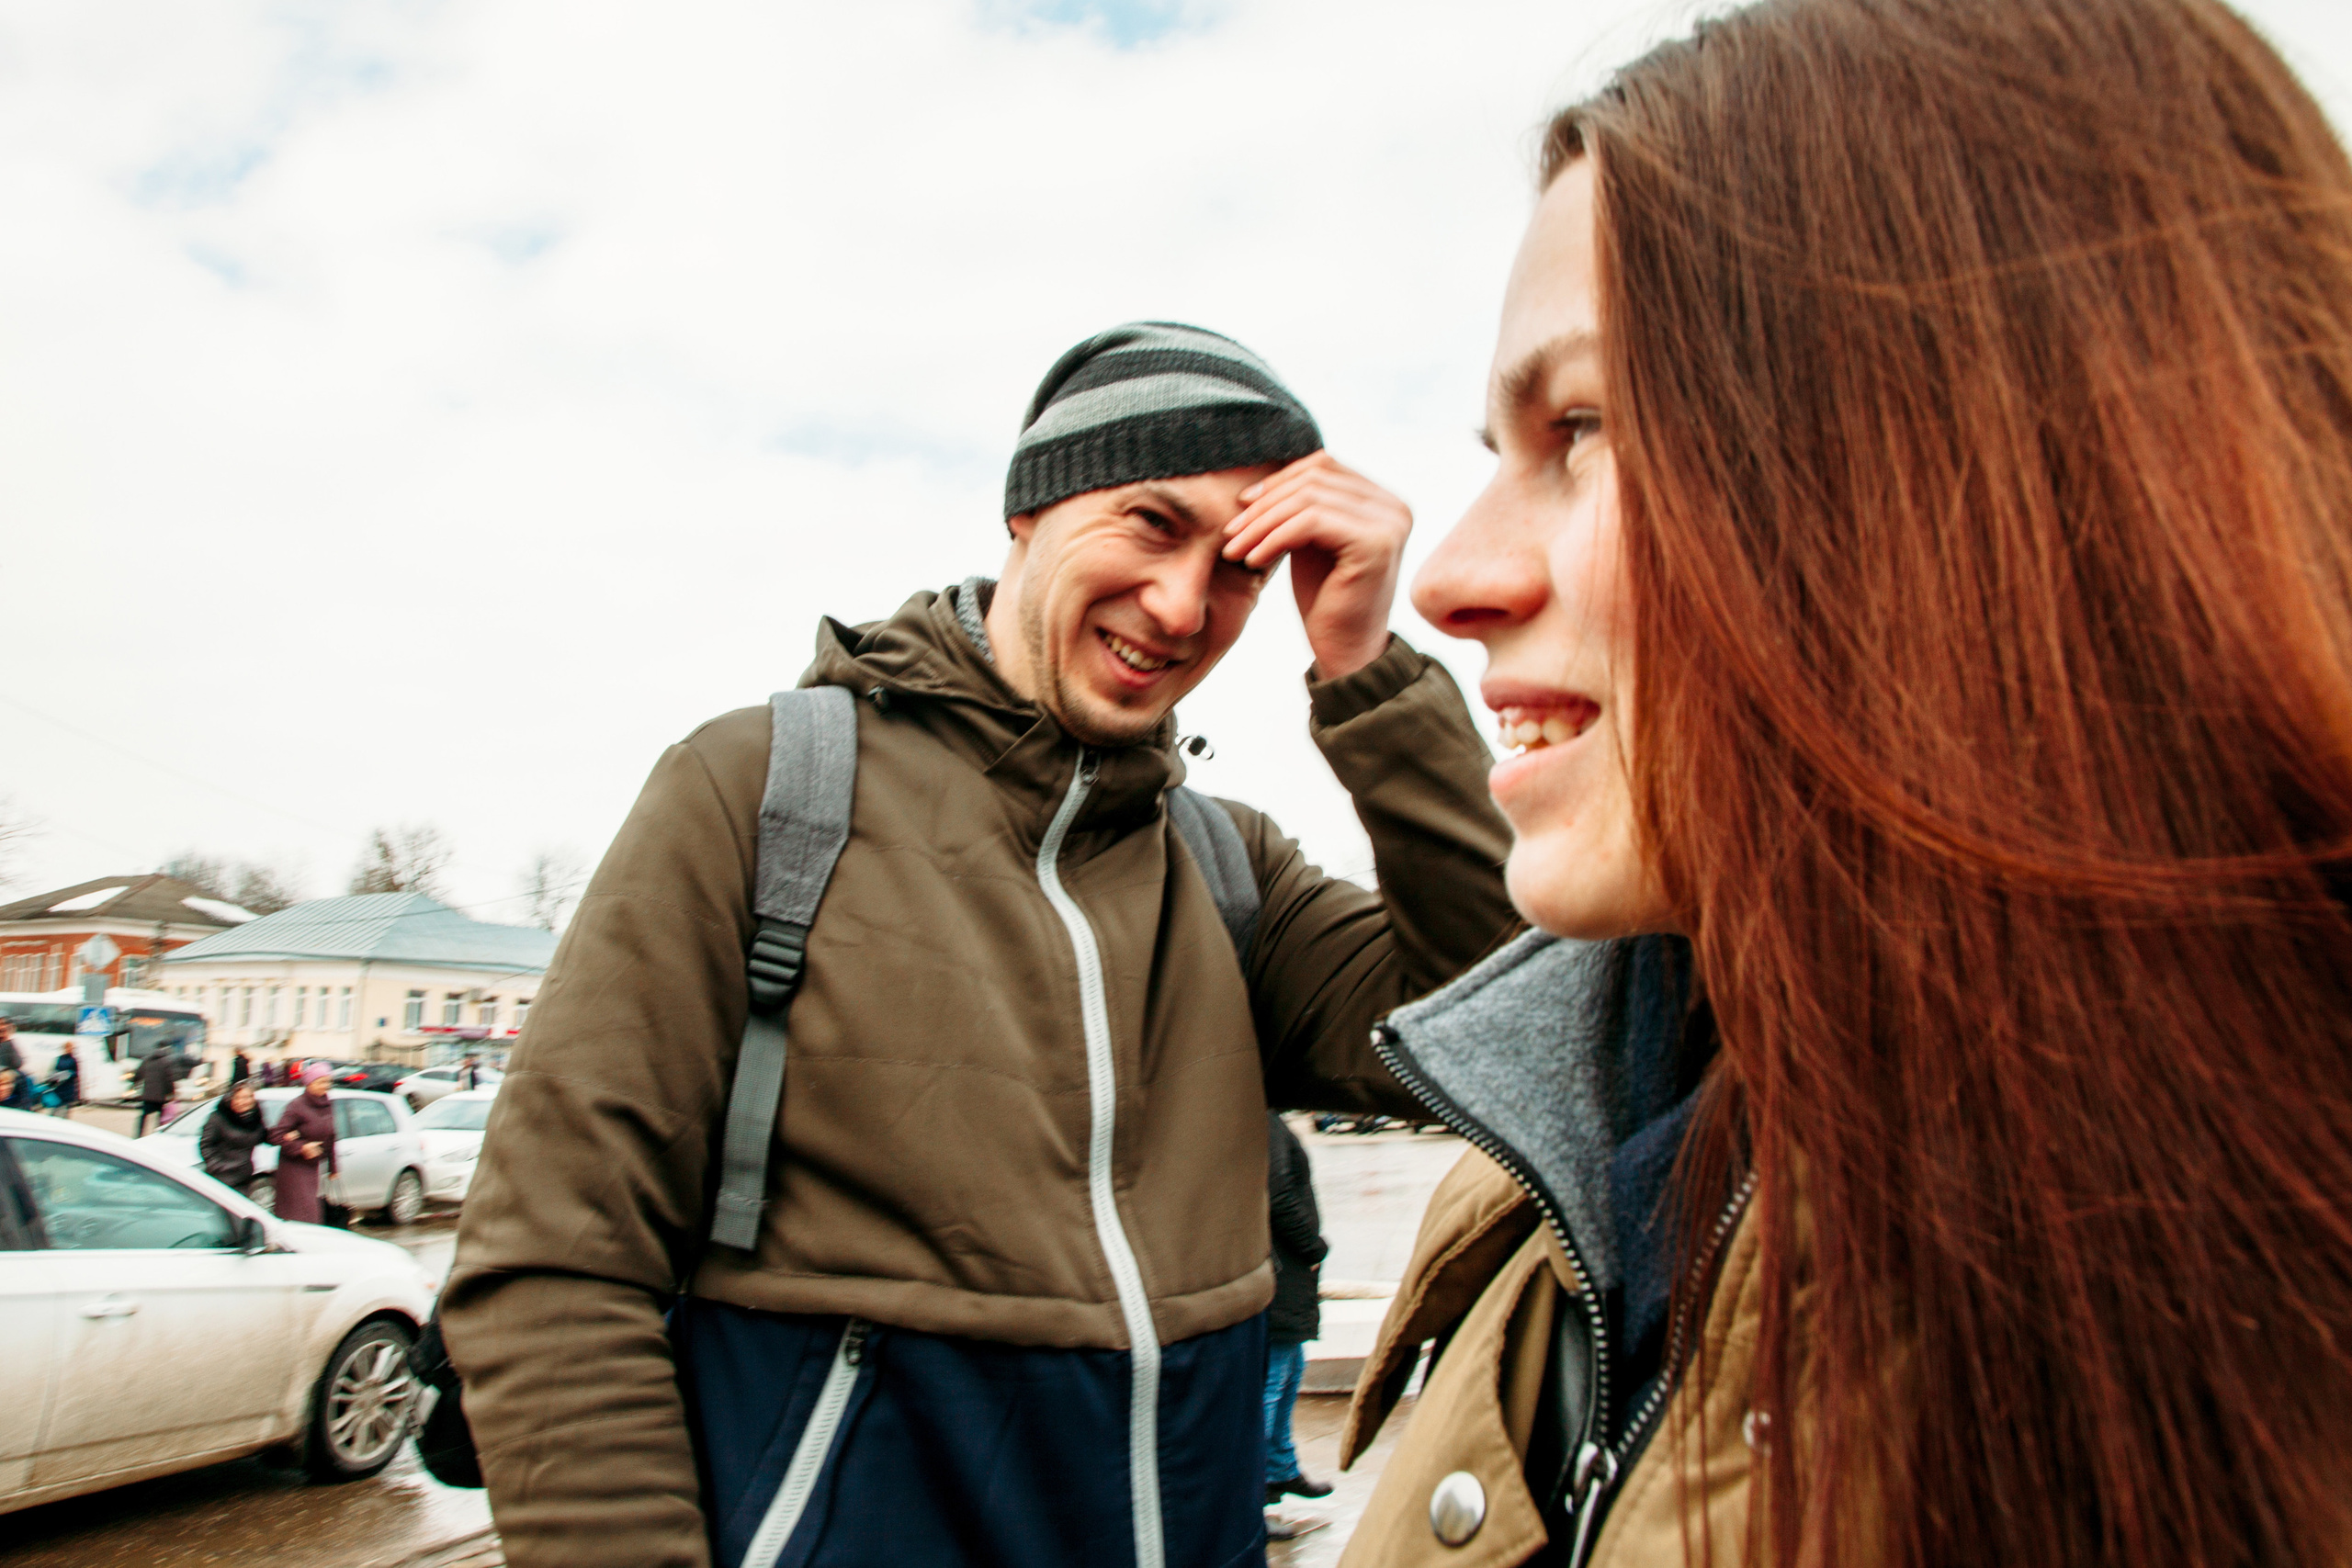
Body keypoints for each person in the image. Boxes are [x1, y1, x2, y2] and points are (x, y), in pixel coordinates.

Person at [1338, 2, 2352, 1565]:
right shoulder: (1565, 1174)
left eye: (1588, 427)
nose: (1454, 574)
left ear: (1989, 461)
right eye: (1499, 444)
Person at [444, 321, 1519, 1568]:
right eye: (1150, 524)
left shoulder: (1231, 870)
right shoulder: (760, 792)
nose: (1181, 606)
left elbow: (1497, 1025)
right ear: (1028, 513)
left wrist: (1366, 666)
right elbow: (550, 1264)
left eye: (1237, 566)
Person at [1262, 1111, 1330, 1531]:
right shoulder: (1263, 1116)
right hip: (1282, 1266)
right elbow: (1278, 1192)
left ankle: (1280, 1467)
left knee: (1288, 1371)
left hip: (1284, 1268)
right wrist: (1313, 1245)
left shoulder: (1266, 1115)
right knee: (1271, 1382)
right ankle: (1254, 1499)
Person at [269, 1067, 337, 1224]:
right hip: (293, 1167)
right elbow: (277, 1135)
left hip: (313, 1167)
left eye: (328, 1081)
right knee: (303, 1213)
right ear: (309, 1083)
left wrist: (333, 1168)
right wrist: (302, 1148)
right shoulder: (296, 1106)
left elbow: (332, 1136)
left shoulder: (327, 1104)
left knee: (309, 1213)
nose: (325, 1086)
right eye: (321, 1082)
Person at [201, 1078, 270, 1196]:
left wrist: (288, 1134)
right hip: (221, 1179)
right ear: (231, 1099)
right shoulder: (218, 1118)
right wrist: (218, 1166)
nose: (245, 1101)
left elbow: (263, 1137)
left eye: (249, 1097)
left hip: (244, 1178)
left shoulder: (254, 1118)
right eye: (240, 1097)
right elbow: (206, 1146)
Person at [132, 1046, 183, 1137]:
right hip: (160, 1096)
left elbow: (138, 1074)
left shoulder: (147, 1060)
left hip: (147, 1095)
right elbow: (168, 1079)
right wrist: (171, 1093)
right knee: (160, 1117)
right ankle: (157, 1134)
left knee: (144, 1115)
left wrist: (134, 1084)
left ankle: (139, 1135)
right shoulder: (165, 1062)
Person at [46, 1044, 79, 1117]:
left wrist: (69, 1074)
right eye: (68, 1047)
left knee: (65, 1108)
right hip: (58, 1087)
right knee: (56, 1106)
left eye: (71, 1048)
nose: (69, 1049)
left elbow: (76, 1073)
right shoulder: (59, 1059)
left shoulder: (73, 1060)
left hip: (68, 1087)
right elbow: (54, 1069)